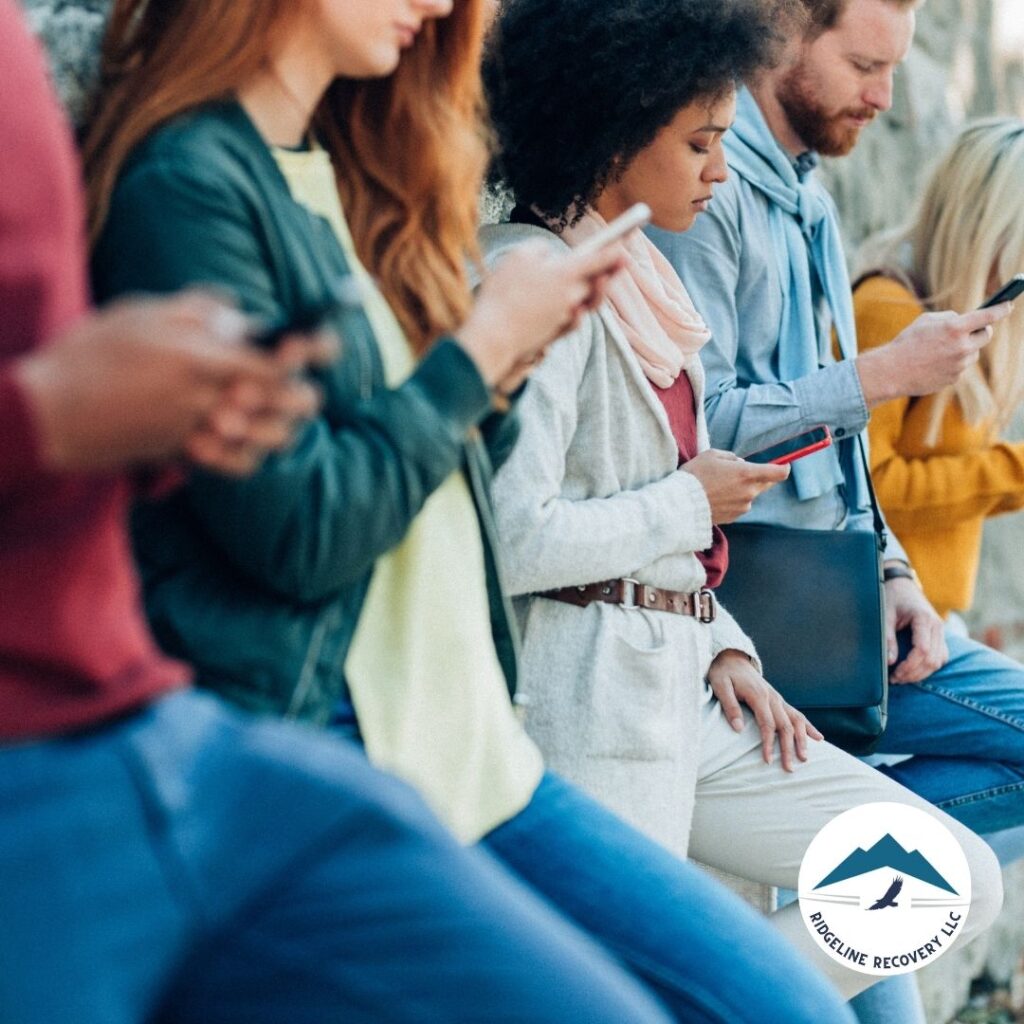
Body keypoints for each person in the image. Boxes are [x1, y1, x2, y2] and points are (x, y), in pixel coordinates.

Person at [83, 0, 869, 1020]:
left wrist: (492, 374)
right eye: (701, 140)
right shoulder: (191, 185)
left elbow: (450, 495)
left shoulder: (353, 182)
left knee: (793, 993)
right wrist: (484, 360)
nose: (443, 7)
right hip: (371, 747)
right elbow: (311, 531)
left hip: (481, 741)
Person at [480, 0, 1003, 1007]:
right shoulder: (531, 280)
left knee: (950, 875)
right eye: (698, 143)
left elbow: (662, 524)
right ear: (612, 132)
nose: (718, 171)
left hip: (695, 682)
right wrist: (688, 504)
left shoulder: (637, 288)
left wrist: (718, 637)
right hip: (593, 702)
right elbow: (511, 534)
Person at [649, 1, 1024, 1020]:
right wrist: (886, 372)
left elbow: (848, 450)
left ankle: (827, 892)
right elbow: (698, 425)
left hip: (846, 607)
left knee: (886, 927)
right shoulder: (704, 195)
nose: (884, 97)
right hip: (764, 620)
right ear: (780, 34)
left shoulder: (812, 197)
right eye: (862, 64)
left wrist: (892, 570)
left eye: (894, 70)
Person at [854, 117, 1024, 621]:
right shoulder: (890, 309)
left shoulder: (974, 321)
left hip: (935, 614)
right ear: (987, 228)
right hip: (882, 613)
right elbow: (871, 485)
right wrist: (1014, 471)